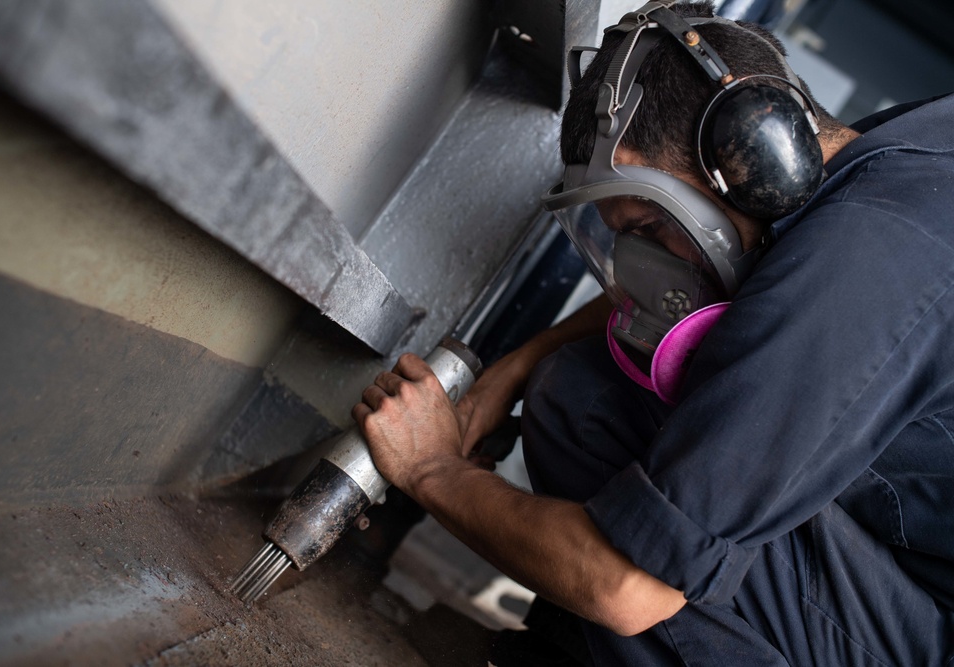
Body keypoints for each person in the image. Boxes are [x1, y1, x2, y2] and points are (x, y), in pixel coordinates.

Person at [353, 1, 954, 663]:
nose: (647, 266)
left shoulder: (861, 260)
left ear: (757, 151)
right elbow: (722, 298)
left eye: (647, 230)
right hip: (915, 582)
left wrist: (430, 468)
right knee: (581, 376)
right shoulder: (894, 161)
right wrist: (515, 365)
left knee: (585, 408)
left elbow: (626, 586)